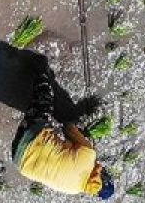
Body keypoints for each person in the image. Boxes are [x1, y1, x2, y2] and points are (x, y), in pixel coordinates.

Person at [12, 65, 114, 198]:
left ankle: (38, 69)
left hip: (31, 136)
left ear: (101, 176)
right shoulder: (73, 190)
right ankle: (30, 113)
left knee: (45, 100)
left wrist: (83, 135)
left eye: (105, 173)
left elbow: (68, 128)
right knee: (46, 131)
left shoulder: (89, 155)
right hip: (18, 160)